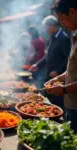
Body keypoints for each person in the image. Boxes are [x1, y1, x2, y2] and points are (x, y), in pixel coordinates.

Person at [45, 0, 77, 133]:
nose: (62, 23)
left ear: (73, 12)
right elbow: (72, 68)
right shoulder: (74, 35)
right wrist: (57, 79)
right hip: (71, 104)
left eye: (62, 19)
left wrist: (63, 89)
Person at [30, 15, 71, 108]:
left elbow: (68, 58)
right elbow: (47, 56)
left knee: (56, 103)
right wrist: (37, 65)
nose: (45, 30)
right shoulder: (52, 37)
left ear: (52, 25)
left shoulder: (63, 38)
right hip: (49, 75)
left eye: (46, 27)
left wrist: (58, 71)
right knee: (47, 101)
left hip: (59, 78)